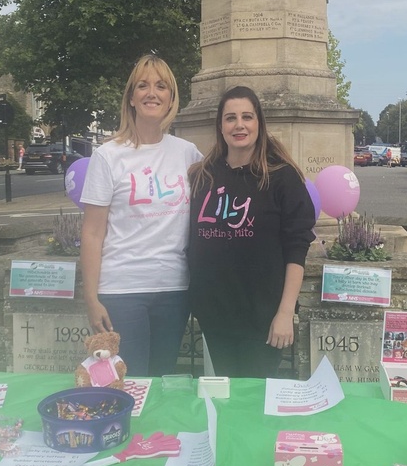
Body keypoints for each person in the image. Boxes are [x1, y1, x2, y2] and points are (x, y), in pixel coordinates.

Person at [79, 54, 202, 376]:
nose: (152, 93)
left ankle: (157, 431)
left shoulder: (187, 153)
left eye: (161, 86)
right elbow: (92, 232)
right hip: (122, 290)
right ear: (131, 98)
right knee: (127, 381)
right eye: (143, 86)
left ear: (171, 98)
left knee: (162, 379)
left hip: (174, 289)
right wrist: (91, 298)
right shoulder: (108, 156)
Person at [188, 86, 316, 379]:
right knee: (228, 400)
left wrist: (285, 313)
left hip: (264, 320)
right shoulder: (203, 176)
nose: (239, 125)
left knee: (255, 404)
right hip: (216, 316)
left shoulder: (282, 177)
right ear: (220, 126)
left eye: (247, 116)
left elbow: (296, 248)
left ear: (259, 123)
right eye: (230, 118)